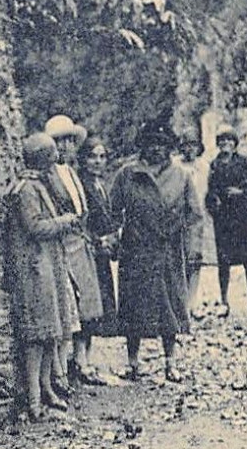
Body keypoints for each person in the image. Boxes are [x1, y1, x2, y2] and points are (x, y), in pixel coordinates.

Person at [109, 120, 202, 383]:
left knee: (169, 305)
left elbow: (194, 214)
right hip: (136, 249)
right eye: (151, 144)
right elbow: (113, 210)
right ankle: (132, 362)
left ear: (170, 148)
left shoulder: (181, 176)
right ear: (143, 146)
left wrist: (191, 246)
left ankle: (170, 362)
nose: (157, 150)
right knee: (133, 306)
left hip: (167, 250)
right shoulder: (127, 174)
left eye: (162, 145)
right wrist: (113, 239)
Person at [3, 133, 81, 419]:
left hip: (48, 266)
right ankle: (34, 397)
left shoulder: (38, 185)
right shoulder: (26, 189)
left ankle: (47, 387)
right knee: (37, 335)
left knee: (51, 330)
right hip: (34, 270)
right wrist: (65, 221)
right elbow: (34, 227)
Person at [44, 115, 108, 387]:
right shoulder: (49, 175)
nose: (66, 147)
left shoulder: (73, 173)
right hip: (64, 244)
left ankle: (83, 359)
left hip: (82, 244)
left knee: (88, 304)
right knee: (68, 304)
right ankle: (62, 366)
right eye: (60, 142)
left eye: (70, 141)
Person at [206, 126, 247, 318]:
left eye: (229, 140)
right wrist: (214, 201)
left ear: (235, 143)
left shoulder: (246, 163)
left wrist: (241, 193)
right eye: (222, 141)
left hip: (244, 218)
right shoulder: (214, 165)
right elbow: (211, 190)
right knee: (224, 263)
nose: (225, 144)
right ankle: (224, 301)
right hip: (223, 219)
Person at [77, 137, 121, 339]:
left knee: (100, 305)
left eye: (102, 157)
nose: (97, 161)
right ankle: (80, 359)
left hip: (101, 253)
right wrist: (97, 239)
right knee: (86, 304)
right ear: (83, 159)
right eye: (92, 157)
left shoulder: (100, 185)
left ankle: (87, 357)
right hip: (87, 251)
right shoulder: (80, 184)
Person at [179, 136, 217, 319]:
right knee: (180, 259)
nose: (189, 149)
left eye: (193, 145)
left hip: (199, 218)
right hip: (179, 218)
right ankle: (181, 302)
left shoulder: (204, 167)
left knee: (195, 260)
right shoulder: (176, 165)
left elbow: (210, 191)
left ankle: (193, 302)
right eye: (186, 145)